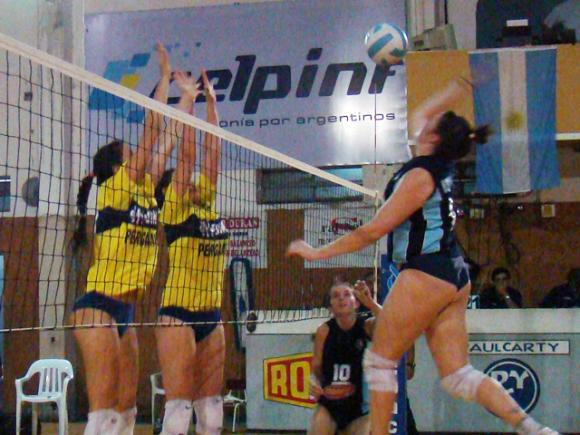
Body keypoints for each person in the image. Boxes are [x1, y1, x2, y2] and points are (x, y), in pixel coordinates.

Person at [287, 77, 559, 435]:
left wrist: (317, 252)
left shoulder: (420, 176)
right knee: (458, 376)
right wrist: (458, 88)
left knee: (380, 361)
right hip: (452, 273)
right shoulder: (435, 163)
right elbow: (422, 113)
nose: (425, 119)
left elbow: (372, 231)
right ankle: (534, 429)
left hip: (427, 271)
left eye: (433, 121)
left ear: (433, 136)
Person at [70, 43, 172, 435]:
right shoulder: (114, 188)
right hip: (97, 305)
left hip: (125, 309)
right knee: (105, 410)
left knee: (127, 408)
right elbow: (151, 132)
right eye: (129, 155)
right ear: (117, 167)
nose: (137, 158)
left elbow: (165, 139)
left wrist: (184, 102)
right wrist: (162, 78)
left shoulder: (144, 192)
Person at [154, 69, 228, 435]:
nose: (196, 181)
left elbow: (213, 152)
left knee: (212, 413)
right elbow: (187, 156)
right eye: (186, 183)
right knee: (179, 410)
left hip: (211, 314)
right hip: (178, 315)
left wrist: (212, 104)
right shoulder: (174, 210)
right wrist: (189, 103)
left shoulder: (207, 203)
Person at [308, 280, 381, 435]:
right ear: (330, 307)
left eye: (347, 294)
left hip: (358, 407)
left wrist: (370, 303)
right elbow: (316, 367)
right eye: (336, 296)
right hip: (330, 405)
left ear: (356, 303)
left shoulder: (365, 326)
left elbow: (391, 322)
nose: (341, 298)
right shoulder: (324, 331)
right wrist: (314, 382)